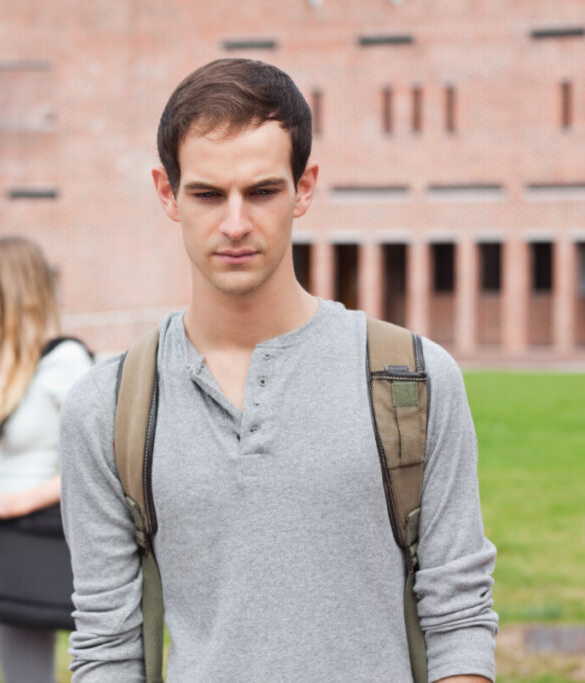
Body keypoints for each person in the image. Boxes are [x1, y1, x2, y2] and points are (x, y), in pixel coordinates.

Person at [58, 58, 498, 682]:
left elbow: (459, 617)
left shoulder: (415, 378)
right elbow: (106, 645)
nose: (235, 224)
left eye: (262, 191)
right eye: (208, 194)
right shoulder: (106, 407)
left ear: (305, 188)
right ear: (167, 194)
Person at [0, 236, 94, 683]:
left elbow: (104, 464)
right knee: (17, 672)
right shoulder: (1, 362)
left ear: (4, 291)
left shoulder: (63, 363)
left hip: (36, 538)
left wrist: (14, 503)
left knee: (30, 675)